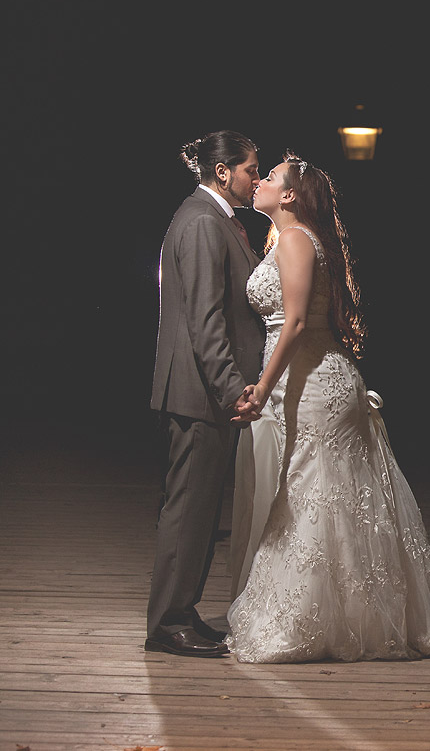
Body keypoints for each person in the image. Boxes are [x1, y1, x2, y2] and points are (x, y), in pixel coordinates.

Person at [225, 153, 430, 663]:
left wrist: (262, 389)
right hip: (312, 380)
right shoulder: (293, 239)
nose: (261, 180)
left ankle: (312, 623)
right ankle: (342, 619)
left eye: (270, 177)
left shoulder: (294, 240)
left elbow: (291, 323)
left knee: (309, 499)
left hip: (313, 384)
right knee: (322, 498)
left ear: (289, 195)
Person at [147, 131, 265, 658]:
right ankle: (169, 622)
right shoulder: (200, 221)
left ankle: (183, 611)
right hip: (199, 392)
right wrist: (231, 387)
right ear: (224, 172)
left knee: (199, 509)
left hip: (204, 391)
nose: (256, 178)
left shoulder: (213, 218)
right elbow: (205, 318)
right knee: (189, 507)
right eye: (251, 169)